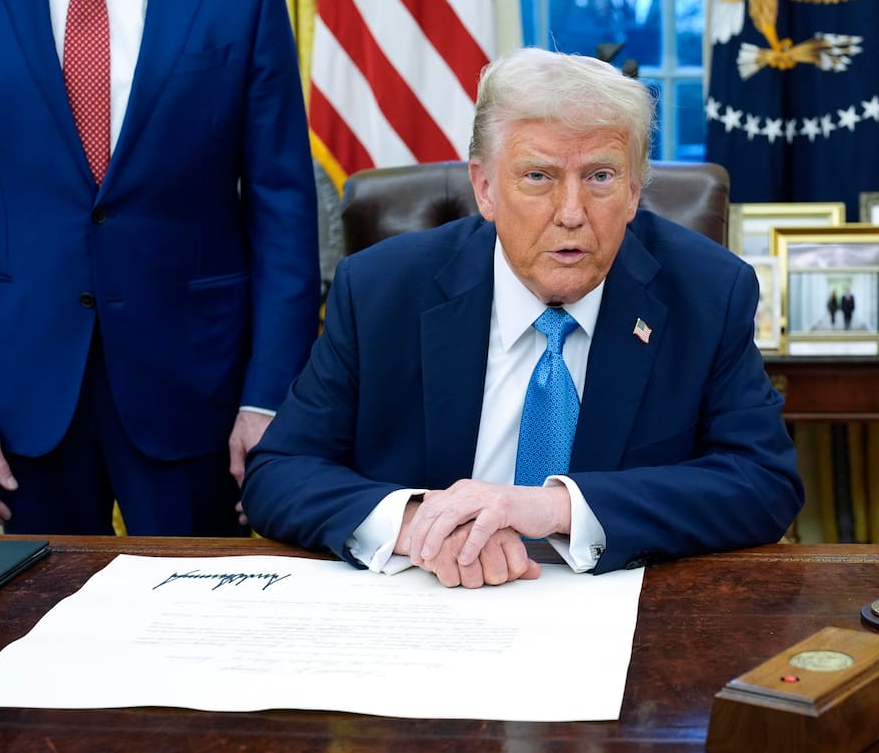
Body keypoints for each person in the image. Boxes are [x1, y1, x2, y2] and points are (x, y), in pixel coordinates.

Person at [243, 47, 804, 588]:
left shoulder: (708, 291)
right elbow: (280, 471)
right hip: (430, 607)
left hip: (624, 620)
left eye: (601, 177)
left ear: (635, 192)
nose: (571, 213)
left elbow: (763, 482)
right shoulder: (381, 290)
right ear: (485, 188)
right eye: (538, 176)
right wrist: (420, 525)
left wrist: (552, 506)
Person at [0, 0, 320, 536]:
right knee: (41, 615)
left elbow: (284, 210)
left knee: (198, 617)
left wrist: (271, 400)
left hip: (199, 388)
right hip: (25, 389)